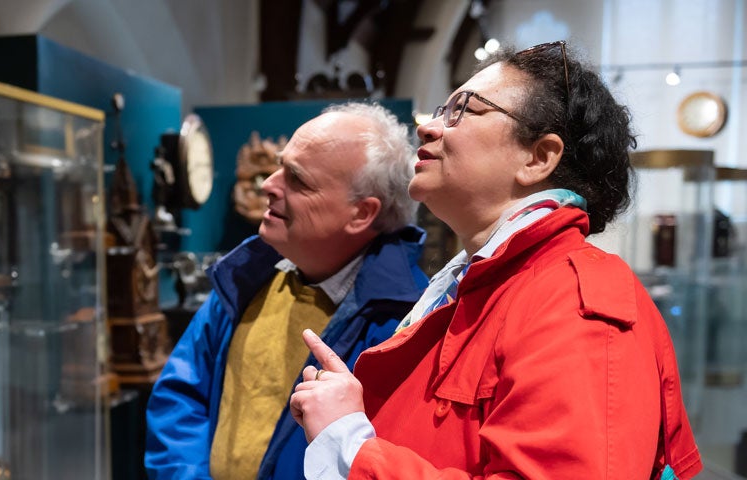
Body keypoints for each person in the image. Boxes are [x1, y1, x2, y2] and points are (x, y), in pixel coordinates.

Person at [290, 42, 703, 479]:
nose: (428, 128)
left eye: (463, 110)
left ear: (538, 157)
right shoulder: (486, 285)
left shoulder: (575, 304)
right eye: (439, 109)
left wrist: (350, 444)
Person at [145, 102, 430, 480]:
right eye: (281, 165)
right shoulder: (247, 278)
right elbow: (181, 396)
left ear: (361, 213)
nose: (268, 184)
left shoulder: (408, 322)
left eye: (297, 179)